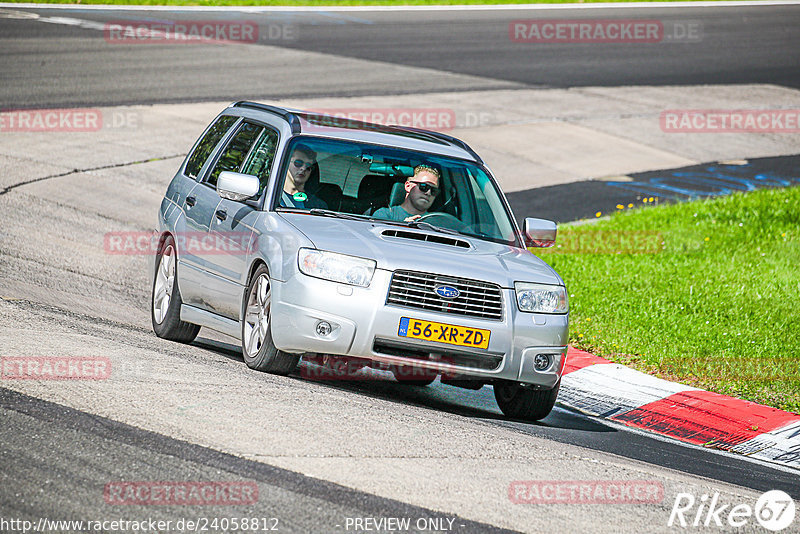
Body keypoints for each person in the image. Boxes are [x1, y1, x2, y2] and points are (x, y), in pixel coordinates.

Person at [373, 165, 440, 222]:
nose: (428, 193)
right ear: (408, 186)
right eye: (424, 187)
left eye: (434, 190)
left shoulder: (436, 224)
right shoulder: (385, 215)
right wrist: (403, 227)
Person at [280, 144, 327, 209]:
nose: (304, 168)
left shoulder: (318, 206)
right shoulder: (270, 197)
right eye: (298, 163)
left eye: (308, 166)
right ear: (286, 164)